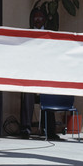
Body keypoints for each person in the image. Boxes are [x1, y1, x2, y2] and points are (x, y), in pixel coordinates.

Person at [19, 8, 60, 140]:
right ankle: (25, 129)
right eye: (35, 17)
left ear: (45, 19)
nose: (38, 20)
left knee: (49, 96)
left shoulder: (50, 34)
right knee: (27, 96)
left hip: (46, 72)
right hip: (30, 73)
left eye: (40, 17)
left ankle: (50, 130)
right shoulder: (26, 34)